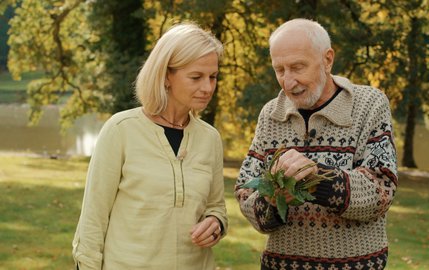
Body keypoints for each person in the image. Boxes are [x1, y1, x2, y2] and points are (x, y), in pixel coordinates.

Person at [235, 18, 397, 270]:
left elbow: (380, 192)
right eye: (280, 70)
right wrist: (276, 200)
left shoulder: (369, 105)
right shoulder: (271, 115)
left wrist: (316, 178)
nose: (287, 82)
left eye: (297, 67)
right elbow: (246, 194)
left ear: (327, 60)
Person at [72, 23, 228, 270]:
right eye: (196, 77)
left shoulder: (210, 138)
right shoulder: (120, 129)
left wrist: (215, 223)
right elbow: (93, 218)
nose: (208, 87)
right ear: (166, 75)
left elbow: (216, 206)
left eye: (213, 77)